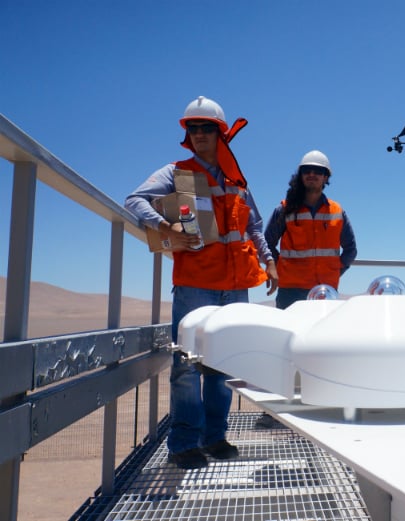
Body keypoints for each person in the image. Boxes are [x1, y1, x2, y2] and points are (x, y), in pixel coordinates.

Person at [125, 95, 278, 469]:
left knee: (224, 364)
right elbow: (135, 200)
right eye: (192, 129)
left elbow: (254, 225)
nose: (198, 135)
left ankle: (214, 437)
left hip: (236, 285)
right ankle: (183, 443)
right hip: (195, 284)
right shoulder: (177, 172)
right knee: (187, 366)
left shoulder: (236, 179)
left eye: (206, 128)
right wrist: (165, 227)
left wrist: (269, 260)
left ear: (221, 133)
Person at [264, 150, 357, 309]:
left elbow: (351, 249)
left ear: (325, 177)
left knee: (323, 334)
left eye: (318, 171)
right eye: (307, 170)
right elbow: (267, 244)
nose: (312, 174)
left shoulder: (337, 211)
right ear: (301, 175)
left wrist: (335, 271)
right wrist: (279, 268)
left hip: (325, 291)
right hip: (290, 292)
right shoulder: (285, 210)